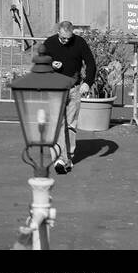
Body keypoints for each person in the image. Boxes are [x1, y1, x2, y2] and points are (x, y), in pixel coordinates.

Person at [42, 21, 96, 174]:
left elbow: (91, 63)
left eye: (68, 38)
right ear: (58, 33)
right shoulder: (50, 43)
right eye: (63, 38)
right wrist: (51, 64)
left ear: (72, 34)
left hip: (74, 88)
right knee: (59, 123)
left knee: (71, 124)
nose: (66, 41)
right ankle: (61, 158)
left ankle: (68, 158)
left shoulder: (79, 42)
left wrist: (88, 83)